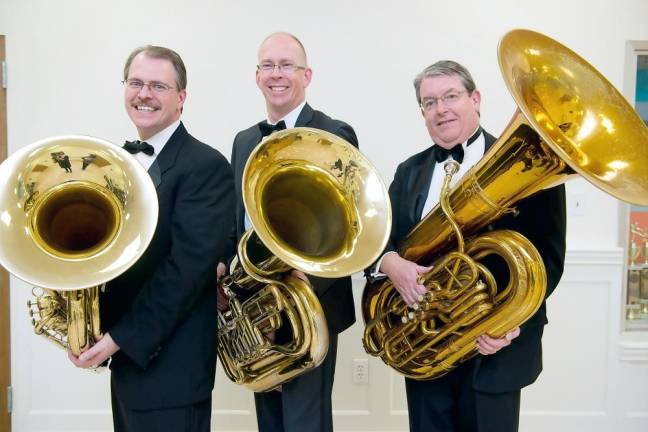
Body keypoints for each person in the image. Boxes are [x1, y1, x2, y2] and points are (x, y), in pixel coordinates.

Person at [370, 60, 566, 432]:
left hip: (494, 348)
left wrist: (510, 325)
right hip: (425, 344)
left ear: (475, 99)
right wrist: (391, 262)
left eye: (450, 96)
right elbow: (382, 240)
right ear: (423, 113)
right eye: (429, 102)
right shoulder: (408, 171)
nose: (441, 109)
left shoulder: (531, 162)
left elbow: (548, 262)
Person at [68, 45, 235, 432]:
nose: (144, 94)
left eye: (158, 86)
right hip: (129, 365)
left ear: (181, 98)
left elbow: (186, 273)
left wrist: (118, 339)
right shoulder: (113, 165)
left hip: (170, 371)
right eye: (136, 83)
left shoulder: (205, 166)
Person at [227, 32, 358, 432]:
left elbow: (350, 226)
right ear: (256, 76)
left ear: (307, 75)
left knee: (306, 422)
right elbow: (239, 222)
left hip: (309, 303)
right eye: (267, 65)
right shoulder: (244, 141)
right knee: (270, 421)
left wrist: (304, 282)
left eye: (286, 65)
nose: (276, 74)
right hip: (257, 305)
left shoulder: (335, 132)